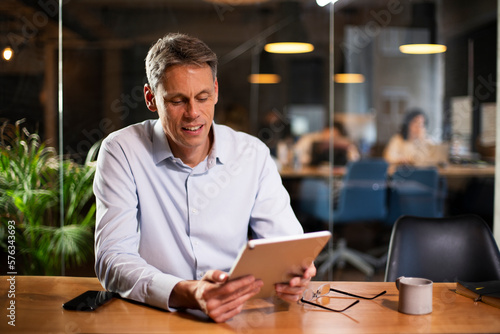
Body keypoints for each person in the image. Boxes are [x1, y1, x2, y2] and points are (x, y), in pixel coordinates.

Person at [93, 32, 314, 323]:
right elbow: (112, 259)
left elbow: (287, 244)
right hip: (153, 317)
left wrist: (296, 273)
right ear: (151, 98)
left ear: (216, 91)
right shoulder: (122, 150)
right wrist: (188, 292)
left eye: (202, 97)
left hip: (239, 315)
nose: (193, 113)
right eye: (177, 100)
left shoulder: (252, 154)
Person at [294, 121, 360, 167]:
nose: (328, 141)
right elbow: (297, 155)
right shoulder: (310, 140)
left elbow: (355, 159)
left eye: (334, 138)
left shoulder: (345, 145)